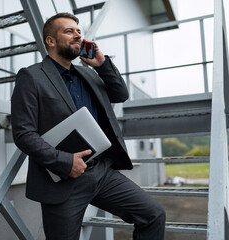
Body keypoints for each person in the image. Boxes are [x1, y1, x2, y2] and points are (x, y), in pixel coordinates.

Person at [11, 12, 165, 240]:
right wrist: (65, 162)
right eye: (69, 31)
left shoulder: (88, 74)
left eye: (79, 32)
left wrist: (102, 63)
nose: (78, 36)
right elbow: (24, 134)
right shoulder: (32, 77)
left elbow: (120, 94)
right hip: (63, 179)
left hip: (102, 172)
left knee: (153, 215)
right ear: (50, 41)